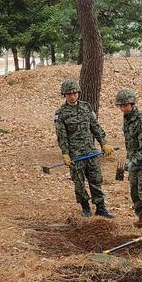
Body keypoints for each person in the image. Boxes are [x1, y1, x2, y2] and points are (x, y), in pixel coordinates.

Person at [54, 78, 112, 218]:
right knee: (79, 184)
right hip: (76, 155)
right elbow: (62, 136)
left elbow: (95, 127)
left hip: (90, 152)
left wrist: (103, 143)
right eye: (69, 94)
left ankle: (101, 208)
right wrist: (65, 153)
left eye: (75, 93)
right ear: (64, 95)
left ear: (78, 93)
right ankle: (86, 208)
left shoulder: (86, 107)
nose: (72, 96)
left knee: (96, 181)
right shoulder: (61, 113)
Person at [117, 88, 142, 228]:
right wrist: (129, 161)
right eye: (120, 106)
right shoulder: (127, 119)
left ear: (132, 104)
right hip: (134, 163)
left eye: (125, 105)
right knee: (135, 194)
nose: (123, 108)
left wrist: (132, 162)